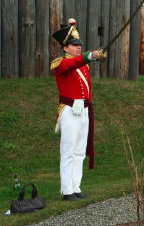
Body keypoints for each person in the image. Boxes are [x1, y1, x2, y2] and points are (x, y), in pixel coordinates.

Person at [50, 19, 106, 201]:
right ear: (65, 48)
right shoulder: (60, 63)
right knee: (68, 150)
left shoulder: (82, 64)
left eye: (79, 45)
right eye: (74, 45)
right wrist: (90, 55)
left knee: (80, 151)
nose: (78, 48)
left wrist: (94, 57)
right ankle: (67, 191)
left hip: (83, 110)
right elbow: (72, 64)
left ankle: (76, 187)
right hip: (69, 109)